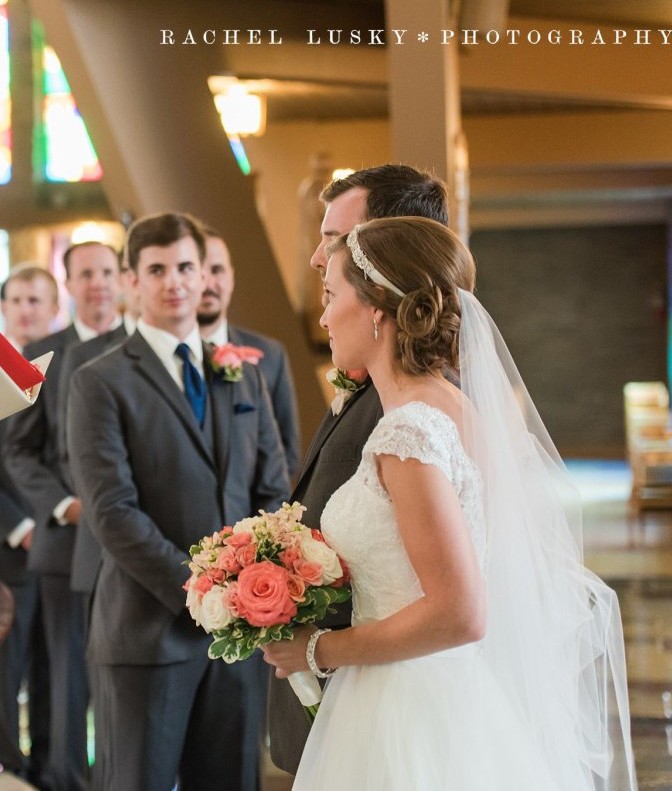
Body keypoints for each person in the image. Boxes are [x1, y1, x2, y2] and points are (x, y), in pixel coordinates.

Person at [262, 217, 638, 790]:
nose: (322, 316)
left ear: (377, 311)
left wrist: (319, 649)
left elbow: (461, 611)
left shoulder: (406, 433)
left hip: (403, 709)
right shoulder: (453, 407)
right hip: (444, 690)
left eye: (331, 295)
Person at [66, 212, 290, 791]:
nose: (175, 281)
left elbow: (271, 486)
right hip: (146, 634)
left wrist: (249, 587)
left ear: (203, 275)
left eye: (186, 267)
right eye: (157, 269)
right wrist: (200, 592)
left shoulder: (243, 373)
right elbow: (112, 510)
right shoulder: (100, 380)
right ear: (131, 282)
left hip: (238, 638)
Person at [267, 163, 450, 775]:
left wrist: (318, 649)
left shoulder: (411, 421)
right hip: (369, 694)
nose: (319, 258)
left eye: (333, 240)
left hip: (392, 699)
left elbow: (458, 603)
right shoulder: (403, 393)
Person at [5, 242, 121, 791]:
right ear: (69, 284)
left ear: (120, 279)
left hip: (129, 541)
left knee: (125, 674)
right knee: (63, 678)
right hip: (65, 538)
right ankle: (64, 781)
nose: (97, 283)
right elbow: (19, 450)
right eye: (85, 274)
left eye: (105, 272)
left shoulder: (142, 347)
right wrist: (64, 505)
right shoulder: (44, 356)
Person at [0, 264, 58, 787]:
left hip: (62, 547)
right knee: (6, 670)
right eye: (17, 300)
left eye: (37, 300)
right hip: (11, 548)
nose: (26, 309)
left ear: (53, 307)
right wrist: (20, 525)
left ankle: (49, 769)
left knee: (54, 672)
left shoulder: (64, 371)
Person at [197, 226, 301, 478]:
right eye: (197, 272)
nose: (208, 283)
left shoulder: (270, 354)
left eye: (217, 270)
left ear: (231, 278)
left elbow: (288, 452)